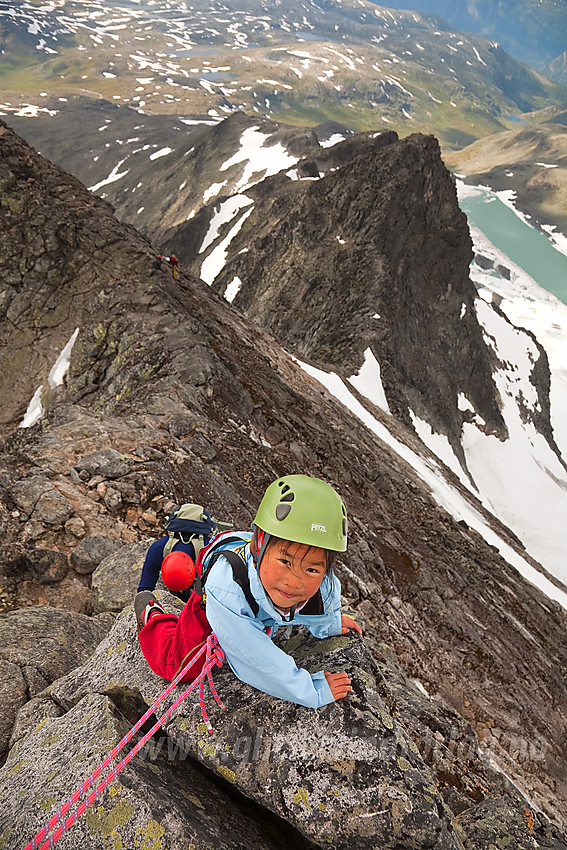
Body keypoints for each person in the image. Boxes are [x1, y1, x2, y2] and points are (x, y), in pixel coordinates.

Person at [135, 474, 362, 707]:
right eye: (286, 562)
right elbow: (257, 661)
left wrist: (329, 623)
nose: (295, 581)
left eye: (312, 569)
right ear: (260, 542)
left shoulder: (320, 579)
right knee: (180, 664)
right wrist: (312, 689)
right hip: (215, 598)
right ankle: (152, 615)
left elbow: (323, 596)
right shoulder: (226, 591)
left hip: (251, 577)